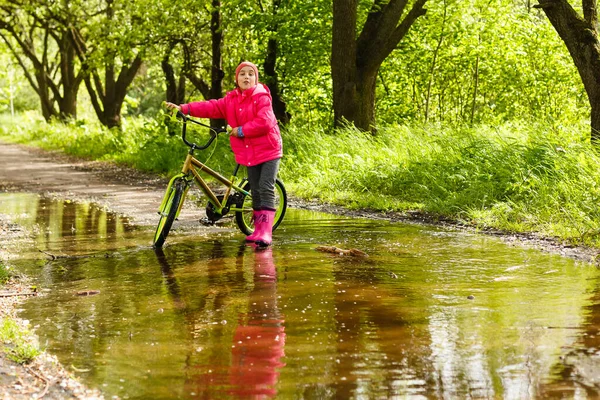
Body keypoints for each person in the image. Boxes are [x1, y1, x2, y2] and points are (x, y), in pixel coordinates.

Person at [165, 61, 282, 247]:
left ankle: (266, 232)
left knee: (265, 186)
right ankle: (258, 230)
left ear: (255, 78)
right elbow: (209, 107)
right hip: (249, 151)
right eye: (242, 74)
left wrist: (241, 131)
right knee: (255, 189)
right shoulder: (231, 100)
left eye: (250, 74)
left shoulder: (261, 97)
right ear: (236, 79)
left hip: (269, 148)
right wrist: (184, 108)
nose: (246, 77)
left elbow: (265, 122)